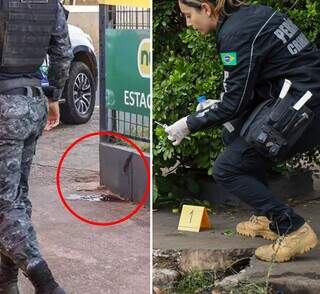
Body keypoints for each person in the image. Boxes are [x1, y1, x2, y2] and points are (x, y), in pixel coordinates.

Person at [165, 0, 320, 262]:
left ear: (206, 7)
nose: (188, 24)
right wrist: (222, 106)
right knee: (232, 133)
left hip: (304, 106)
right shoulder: (251, 15)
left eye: (189, 15)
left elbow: (234, 102)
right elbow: (244, 90)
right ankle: (265, 217)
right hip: (298, 96)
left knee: (227, 168)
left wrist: (190, 123)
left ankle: (292, 228)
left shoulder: (235, 34)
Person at [0, 1, 73, 293]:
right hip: (32, 104)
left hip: (4, 107)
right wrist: (53, 96)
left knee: (4, 205)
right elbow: (63, 53)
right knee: (15, 198)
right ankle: (6, 281)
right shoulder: (49, 3)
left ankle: (47, 284)